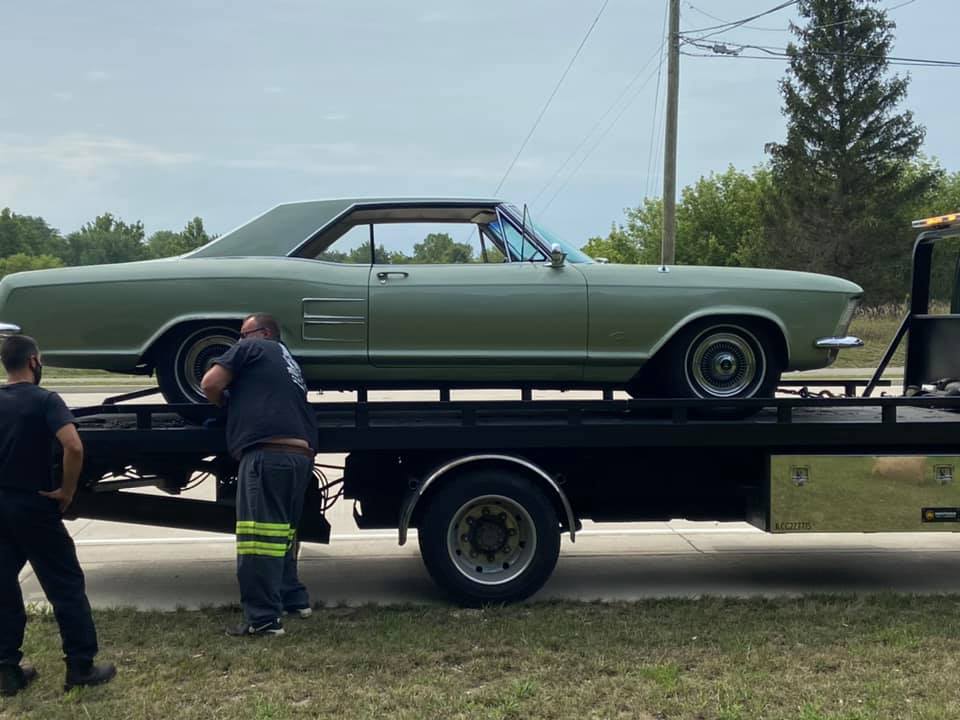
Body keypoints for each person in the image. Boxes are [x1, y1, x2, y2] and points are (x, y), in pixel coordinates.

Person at [0, 335, 116, 696]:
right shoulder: (45, 400)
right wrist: (66, 490)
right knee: (65, 585)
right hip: (34, 504)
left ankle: (6, 672)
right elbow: (73, 445)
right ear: (34, 361)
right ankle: (80, 667)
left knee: (2, 587)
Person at [201, 313, 318, 637]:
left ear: (263, 333)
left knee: (257, 541)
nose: (238, 340)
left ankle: (263, 619)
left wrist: (223, 403)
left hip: (267, 455)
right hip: (299, 457)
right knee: (281, 535)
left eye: (243, 333)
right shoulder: (288, 361)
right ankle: (294, 599)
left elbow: (210, 383)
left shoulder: (253, 349)